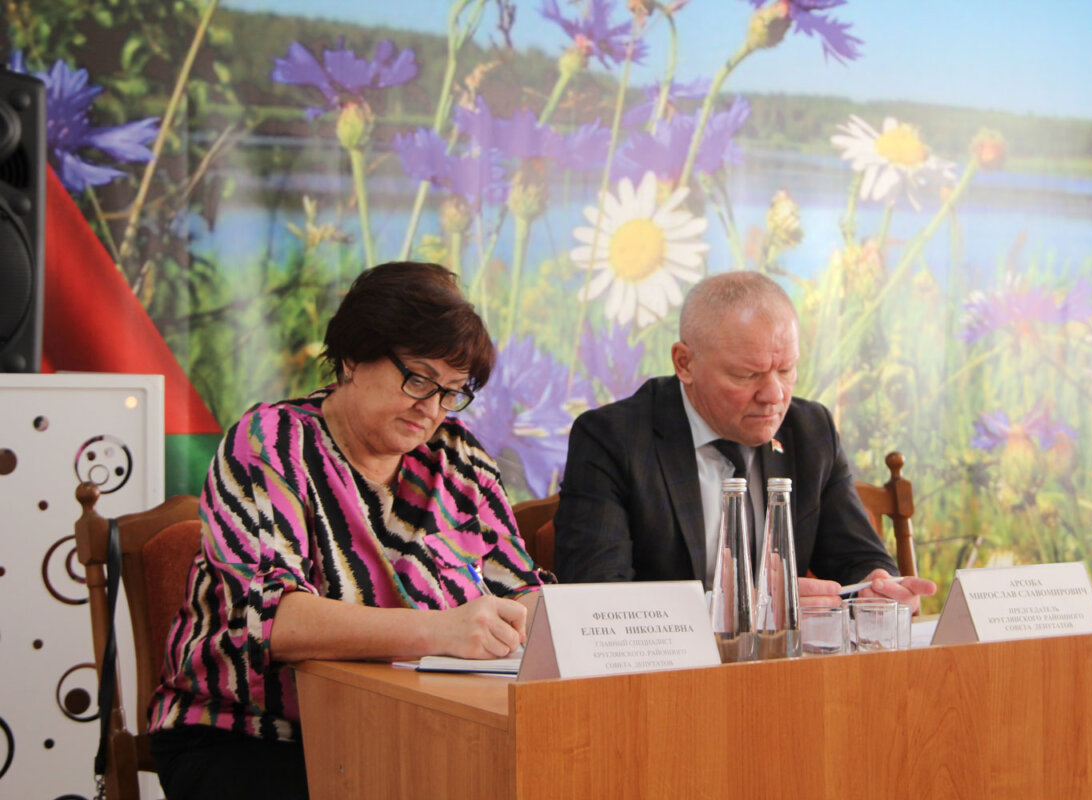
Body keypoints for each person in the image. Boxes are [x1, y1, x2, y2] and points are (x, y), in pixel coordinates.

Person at [147, 262, 550, 799]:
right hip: (253, 734)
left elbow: (519, 589)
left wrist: (577, 627)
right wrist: (442, 630)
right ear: (353, 356)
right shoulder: (272, 443)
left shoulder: (459, 459)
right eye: (418, 379)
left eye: (451, 391)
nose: (431, 408)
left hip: (411, 727)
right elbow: (276, 621)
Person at [554, 271, 934, 610]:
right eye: (746, 375)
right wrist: (740, 609)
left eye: (786, 370)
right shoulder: (613, 439)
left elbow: (857, 557)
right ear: (684, 363)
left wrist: (877, 585)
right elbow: (596, 598)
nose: (774, 395)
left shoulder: (810, 430)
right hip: (668, 665)